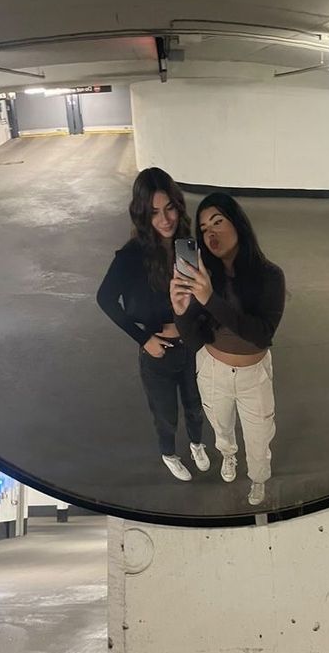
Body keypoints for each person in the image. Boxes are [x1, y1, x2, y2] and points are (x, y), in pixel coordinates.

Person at [170, 192, 285, 506]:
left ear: (238, 224)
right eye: (204, 228)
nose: (210, 233)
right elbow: (195, 341)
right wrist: (180, 311)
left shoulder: (270, 276)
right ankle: (228, 456)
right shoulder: (205, 277)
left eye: (218, 222)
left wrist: (210, 301)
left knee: (260, 438)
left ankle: (258, 478)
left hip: (254, 373)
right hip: (212, 369)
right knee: (221, 427)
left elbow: (260, 335)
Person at [97, 167, 210, 481]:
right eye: (155, 212)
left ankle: (198, 444)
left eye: (170, 208)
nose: (165, 220)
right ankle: (169, 452)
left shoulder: (187, 249)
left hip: (191, 346)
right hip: (157, 353)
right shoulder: (131, 256)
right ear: (142, 215)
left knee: (195, 405)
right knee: (165, 414)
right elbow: (105, 298)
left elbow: (204, 299)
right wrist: (143, 338)